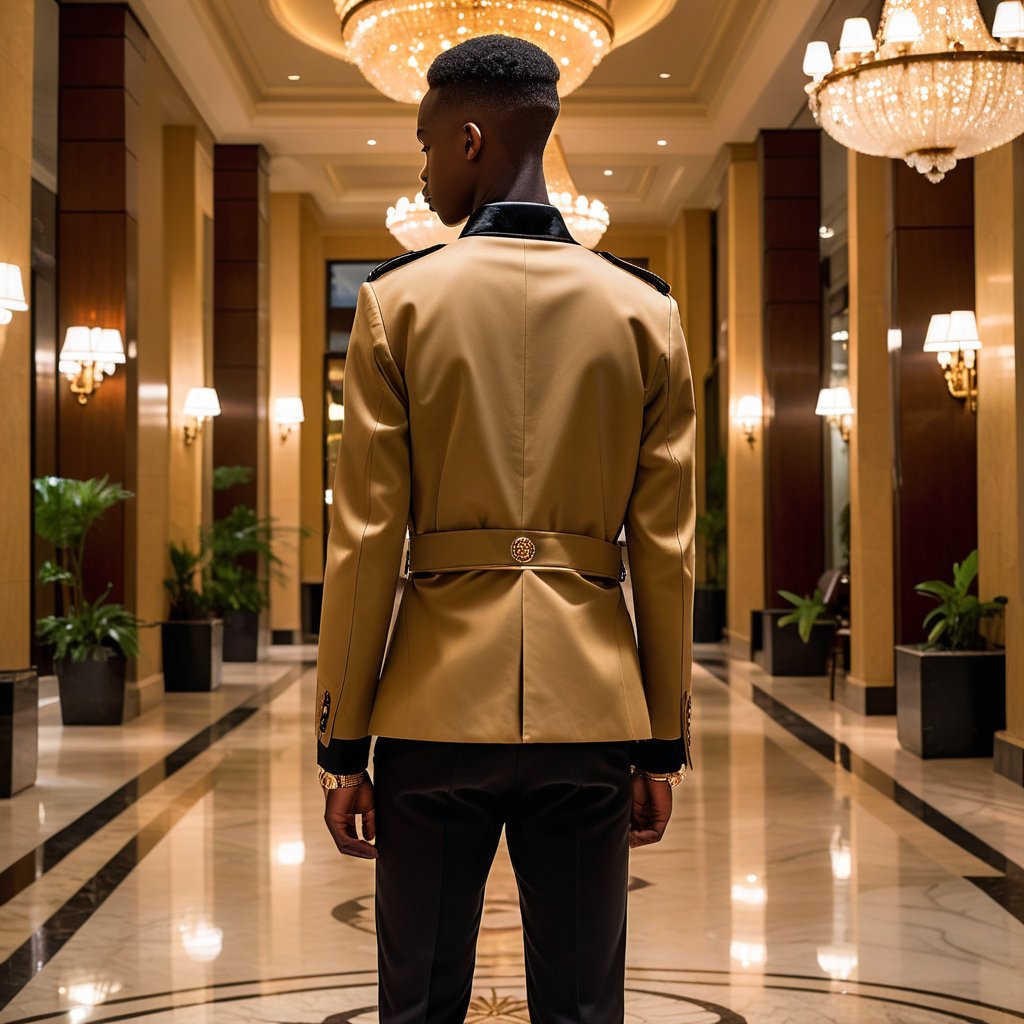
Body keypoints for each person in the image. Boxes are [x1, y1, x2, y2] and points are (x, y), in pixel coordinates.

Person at [314, 33, 696, 1024]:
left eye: (428, 142)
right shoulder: (644, 312)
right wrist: (658, 744)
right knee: (580, 1007)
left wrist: (342, 744)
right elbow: (663, 553)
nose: (425, 165)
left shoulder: (396, 305)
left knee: (420, 1004)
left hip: (434, 715)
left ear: (472, 139)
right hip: (589, 716)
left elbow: (362, 542)